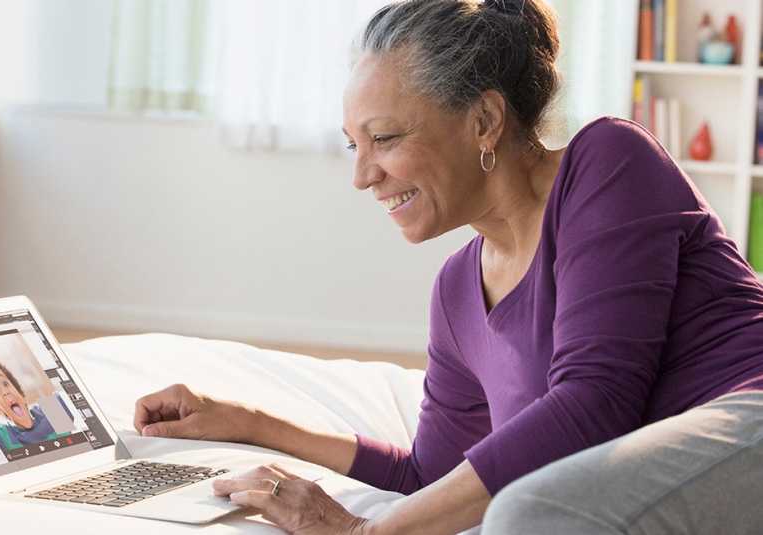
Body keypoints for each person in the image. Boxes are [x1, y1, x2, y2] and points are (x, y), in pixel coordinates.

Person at [133, 1, 763, 533]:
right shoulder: (458, 292)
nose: (362, 176)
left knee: (526, 513)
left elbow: (595, 402)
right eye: (354, 145)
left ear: (484, 121)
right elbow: (431, 478)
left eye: (385, 139)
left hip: (748, 415)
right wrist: (247, 422)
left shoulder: (608, 163)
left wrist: (365, 532)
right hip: (659, 480)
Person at [0, 351, 73, 451]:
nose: (5, 392)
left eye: (5, 384)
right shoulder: (1, 437)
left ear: (19, 391)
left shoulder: (52, 411)